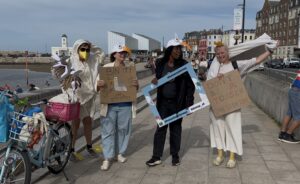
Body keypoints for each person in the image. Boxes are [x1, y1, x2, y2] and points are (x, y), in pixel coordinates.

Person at [208, 41, 278, 168]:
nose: (220, 55)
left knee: (232, 127)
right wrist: (215, 79)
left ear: (228, 53)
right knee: (217, 128)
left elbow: (255, 61)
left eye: (222, 52)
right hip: (217, 104)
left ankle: (232, 157)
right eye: (218, 53)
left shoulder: (236, 64)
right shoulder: (214, 66)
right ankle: (219, 154)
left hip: (232, 104)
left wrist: (270, 51)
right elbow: (208, 84)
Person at [145, 38, 195, 167]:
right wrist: (155, 81)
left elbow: (191, 85)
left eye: (180, 48)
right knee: (160, 129)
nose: (178, 51)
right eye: (176, 48)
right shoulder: (161, 63)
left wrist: (189, 103)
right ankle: (156, 156)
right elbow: (158, 79)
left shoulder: (184, 64)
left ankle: (175, 155)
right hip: (162, 103)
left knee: (176, 129)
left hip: (177, 103)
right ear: (169, 50)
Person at [98, 44, 139, 171]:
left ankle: (119, 153)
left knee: (123, 130)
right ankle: (107, 157)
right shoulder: (105, 68)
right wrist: (99, 84)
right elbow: (98, 87)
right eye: (120, 52)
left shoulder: (130, 69)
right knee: (107, 131)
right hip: (109, 105)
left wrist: (136, 85)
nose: (123, 55)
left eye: (124, 53)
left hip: (125, 104)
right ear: (114, 54)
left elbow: (134, 88)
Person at [68, 39, 105, 161]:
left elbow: (101, 54)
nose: (85, 51)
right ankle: (71, 149)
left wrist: (90, 45)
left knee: (88, 121)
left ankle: (89, 146)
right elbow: (62, 76)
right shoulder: (72, 61)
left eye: (87, 49)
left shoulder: (92, 60)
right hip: (77, 98)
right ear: (77, 49)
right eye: (82, 49)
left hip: (89, 97)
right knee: (75, 124)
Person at [278, 70, 300, 143]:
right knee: (298, 117)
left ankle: (282, 133)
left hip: (293, 90)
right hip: (298, 92)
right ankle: (288, 135)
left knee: (289, 113)